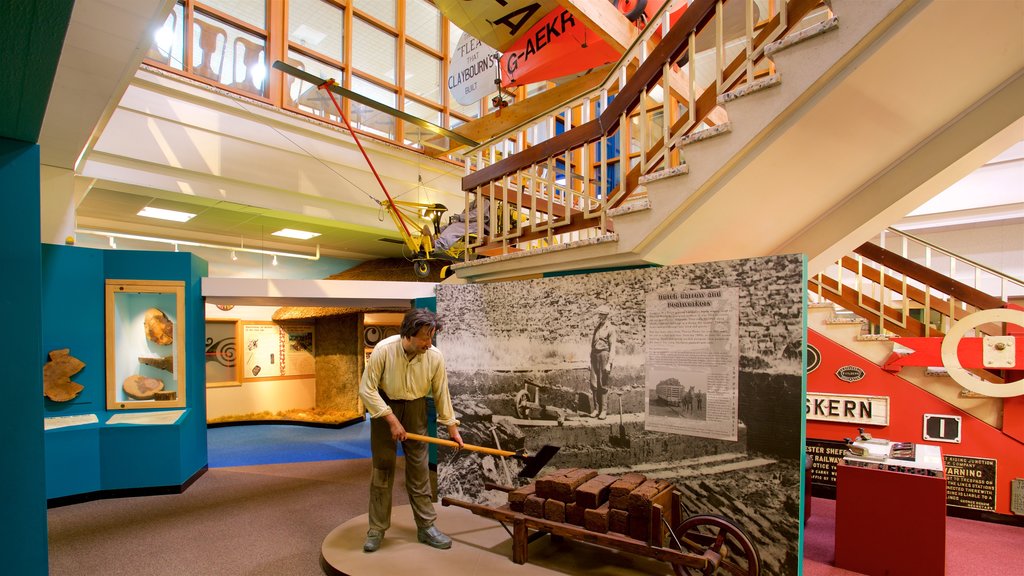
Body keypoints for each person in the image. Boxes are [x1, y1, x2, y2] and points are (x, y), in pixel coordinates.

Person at [358, 308, 463, 553]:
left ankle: (426, 526)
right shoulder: (384, 350)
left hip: (415, 408)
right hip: (385, 408)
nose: (429, 343)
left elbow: (441, 394)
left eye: (431, 337)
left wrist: (452, 427)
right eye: (424, 337)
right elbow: (367, 389)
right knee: (382, 469)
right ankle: (376, 528)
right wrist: (391, 419)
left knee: (419, 470)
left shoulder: (434, 357)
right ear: (408, 334)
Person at [589, 304, 616, 420]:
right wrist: (589, 360)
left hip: (604, 356)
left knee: (603, 384)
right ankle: (596, 409)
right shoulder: (597, 327)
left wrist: (609, 363)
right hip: (594, 356)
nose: (599, 316)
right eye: (599, 314)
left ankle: (603, 411)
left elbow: (613, 346)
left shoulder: (610, 328)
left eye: (601, 314)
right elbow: (592, 345)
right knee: (594, 383)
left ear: (606, 315)